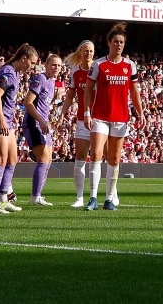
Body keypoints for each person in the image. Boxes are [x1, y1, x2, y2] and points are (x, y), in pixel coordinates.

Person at [85, 24, 144, 210]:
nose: (118, 45)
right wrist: (87, 112)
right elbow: (87, 90)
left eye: (122, 42)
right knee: (95, 154)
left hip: (120, 118)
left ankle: (109, 198)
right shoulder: (99, 64)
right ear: (109, 43)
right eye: (116, 41)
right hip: (100, 116)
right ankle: (92, 198)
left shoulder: (130, 65)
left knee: (115, 158)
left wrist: (141, 112)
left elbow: (134, 92)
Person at [0, 44, 31, 212]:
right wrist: (2, 120)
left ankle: (4, 199)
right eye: (32, 63)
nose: (32, 67)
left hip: (7, 122)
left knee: (12, 159)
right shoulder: (8, 73)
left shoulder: (14, 73)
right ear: (24, 59)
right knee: (1, 160)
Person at [20, 50, 61, 207]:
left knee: (49, 160)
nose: (56, 68)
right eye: (53, 65)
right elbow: (28, 102)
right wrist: (41, 121)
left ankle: (38, 195)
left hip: (43, 124)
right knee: (43, 160)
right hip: (34, 123)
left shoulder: (51, 82)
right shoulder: (41, 79)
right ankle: (35, 196)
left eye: (59, 65)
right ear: (46, 65)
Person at [62, 38, 96, 208]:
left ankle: (110, 194)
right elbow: (70, 96)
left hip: (101, 120)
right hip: (83, 120)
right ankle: (79, 197)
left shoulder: (100, 69)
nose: (88, 53)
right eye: (85, 50)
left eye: (91, 50)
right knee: (80, 158)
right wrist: (62, 113)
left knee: (102, 158)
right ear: (80, 53)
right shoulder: (75, 71)